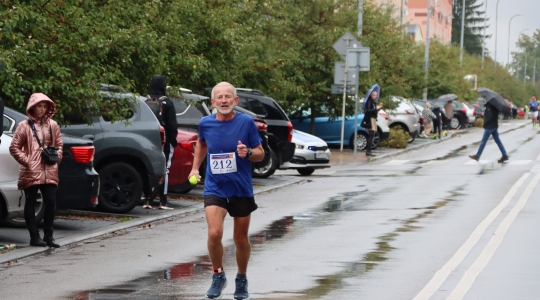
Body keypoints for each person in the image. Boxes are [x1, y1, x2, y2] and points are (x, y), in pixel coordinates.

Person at [188, 82, 264, 299]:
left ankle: (241, 278)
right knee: (214, 233)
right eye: (219, 97)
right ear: (213, 102)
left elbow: (260, 153)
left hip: (240, 188)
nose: (223, 101)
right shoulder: (205, 123)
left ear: (235, 101)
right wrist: (195, 167)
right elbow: (201, 144)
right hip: (216, 187)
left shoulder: (246, 122)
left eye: (228, 97)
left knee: (240, 239)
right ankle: (218, 274)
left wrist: (248, 152)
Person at [9, 93, 63, 248]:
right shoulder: (24, 126)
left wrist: (56, 157)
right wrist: (28, 162)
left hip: (50, 170)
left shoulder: (53, 125)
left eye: (45, 106)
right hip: (31, 171)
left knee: (51, 203)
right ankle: (34, 236)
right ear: (33, 106)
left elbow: (59, 144)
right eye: (40, 106)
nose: (42, 109)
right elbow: (14, 147)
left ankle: (49, 236)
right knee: (31, 203)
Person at [143, 75, 178, 210]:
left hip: (148, 141)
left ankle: (147, 199)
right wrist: (173, 141)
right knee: (165, 169)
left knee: (148, 169)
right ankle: (163, 200)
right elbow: (171, 125)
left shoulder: (145, 102)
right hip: (165, 141)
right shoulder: (167, 103)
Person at [469, 96, 508, 163]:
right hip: (494, 125)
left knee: (483, 142)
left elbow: (490, 116)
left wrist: (485, 122)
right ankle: (504, 155)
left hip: (490, 126)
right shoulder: (495, 106)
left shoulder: (490, 106)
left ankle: (477, 156)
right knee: (498, 141)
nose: (485, 99)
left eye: (485, 98)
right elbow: (492, 115)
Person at [362, 90, 383, 156]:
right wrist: (376, 108)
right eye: (374, 95)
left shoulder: (373, 102)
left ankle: (369, 150)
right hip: (370, 119)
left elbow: (374, 110)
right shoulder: (369, 101)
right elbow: (368, 110)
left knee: (372, 135)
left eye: (376, 95)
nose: (375, 96)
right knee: (371, 135)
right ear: (371, 95)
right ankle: (368, 151)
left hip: (373, 118)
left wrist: (379, 107)